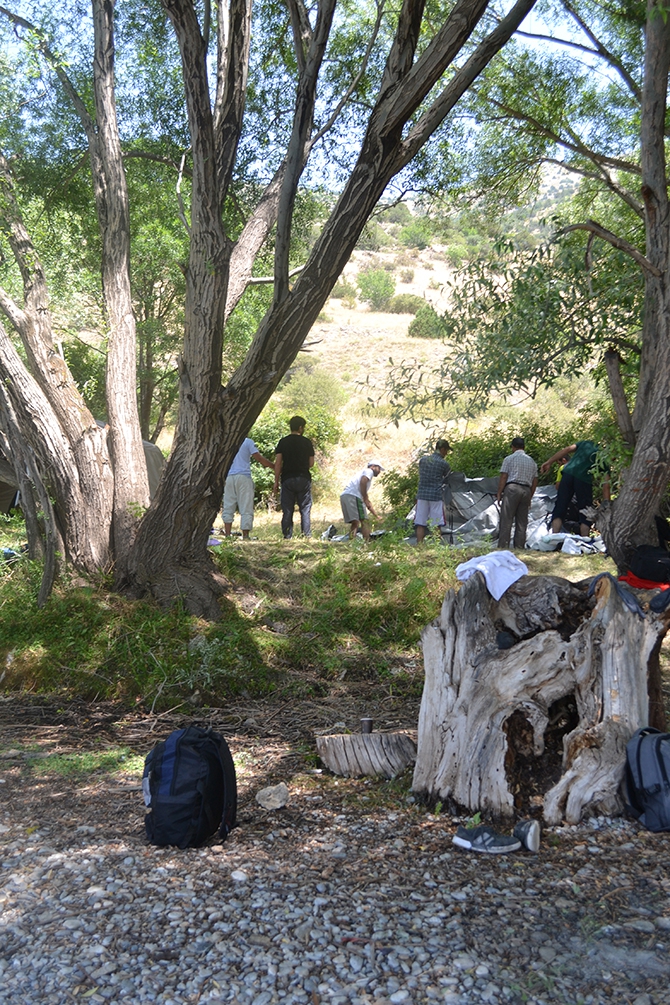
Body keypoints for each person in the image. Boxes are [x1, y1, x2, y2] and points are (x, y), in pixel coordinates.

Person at [540, 440, 609, 537]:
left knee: (560, 506)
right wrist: (606, 501)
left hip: (567, 474)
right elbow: (606, 484)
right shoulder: (605, 458)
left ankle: (553, 537)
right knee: (585, 510)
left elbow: (566, 450)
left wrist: (549, 462)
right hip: (583, 479)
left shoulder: (587, 443)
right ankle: (584, 539)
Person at [222, 437, 274, 540]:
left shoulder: (228, 441)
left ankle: (228, 534)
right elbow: (258, 458)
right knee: (246, 506)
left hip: (229, 476)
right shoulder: (247, 442)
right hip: (243, 476)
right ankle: (245, 535)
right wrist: (274, 466)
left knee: (228, 505)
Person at [273, 416, 315, 538]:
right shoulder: (307, 442)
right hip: (303, 478)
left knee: (287, 509)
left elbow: (278, 463)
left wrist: (276, 481)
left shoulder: (283, 442)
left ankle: (287, 535)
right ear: (300, 428)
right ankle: (306, 535)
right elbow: (311, 463)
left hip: (287, 478)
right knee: (305, 509)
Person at [496, 437, 538, 551]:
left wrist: (499, 493)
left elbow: (504, 476)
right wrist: (530, 496)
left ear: (513, 447)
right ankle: (519, 547)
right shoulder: (532, 461)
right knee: (522, 521)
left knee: (506, 519)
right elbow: (535, 481)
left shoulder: (509, 459)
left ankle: (503, 547)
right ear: (524, 447)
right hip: (526, 490)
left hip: (512, 488)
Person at [415, 438, 452, 544]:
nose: (446, 453)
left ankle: (419, 545)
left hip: (422, 494)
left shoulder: (423, 460)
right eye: (446, 451)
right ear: (442, 449)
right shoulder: (444, 464)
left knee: (420, 522)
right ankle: (436, 546)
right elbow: (448, 478)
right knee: (436, 523)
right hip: (436, 495)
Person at [340, 461, 384, 541]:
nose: (379, 471)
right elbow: (363, 481)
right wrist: (364, 496)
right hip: (353, 495)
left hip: (345, 495)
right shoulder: (369, 471)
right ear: (373, 466)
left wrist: (376, 515)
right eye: (379, 468)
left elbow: (367, 503)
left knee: (355, 522)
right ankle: (367, 541)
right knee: (364, 521)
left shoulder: (361, 473)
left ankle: (351, 541)